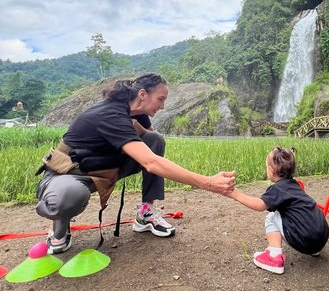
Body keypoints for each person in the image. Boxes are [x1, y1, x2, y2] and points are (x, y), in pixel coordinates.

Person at [36, 73, 235, 254]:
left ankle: (146, 213)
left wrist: (138, 128)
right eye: (161, 99)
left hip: (106, 167)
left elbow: (152, 145)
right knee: (70, 196)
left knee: (155, 139)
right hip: (70, 173)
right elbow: (151, 163)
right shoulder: (110, 113)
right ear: (142, 94)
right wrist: (207, 182)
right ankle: (59, 230)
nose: (163, 106)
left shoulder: (136, 112)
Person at [226, 147, 329, 275]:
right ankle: (314, 250)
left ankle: (274, 256)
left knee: (271, 216)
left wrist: (236, 195)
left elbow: (260, 205)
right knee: (297, 213)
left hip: (304, 239)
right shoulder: (295, 185)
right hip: (321, 238)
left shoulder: (277, 189)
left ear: (270, 171)